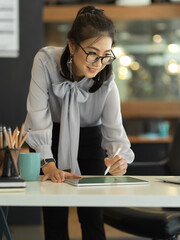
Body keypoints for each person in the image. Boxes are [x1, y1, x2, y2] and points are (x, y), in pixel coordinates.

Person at [24, 5, 134, 240]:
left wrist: (118, 160)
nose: (99, 62)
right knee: (54, 214)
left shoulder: (106, 80)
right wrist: (48, 162)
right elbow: (38, 116)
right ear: (72, 45)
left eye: (106, 54)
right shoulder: (45, 62)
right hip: (49, 137)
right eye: (92, 53)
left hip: (89, 139)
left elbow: (115, 133)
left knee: (92, 216)